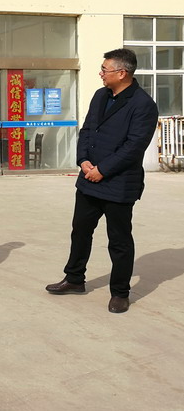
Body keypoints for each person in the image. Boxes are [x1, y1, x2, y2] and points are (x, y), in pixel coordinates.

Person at [46, 48, 158, 314]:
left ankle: (120, 292)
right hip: (89, 178)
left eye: (105, 69)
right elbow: (86, 130)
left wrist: (103, 170)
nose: (101, 73)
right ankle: (74, 278)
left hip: (119, 183)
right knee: (80, 231)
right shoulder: (100, 96)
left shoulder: (143, 105)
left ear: (122, 73)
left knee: (119, 240)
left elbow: (134, 147)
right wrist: (83, 160)